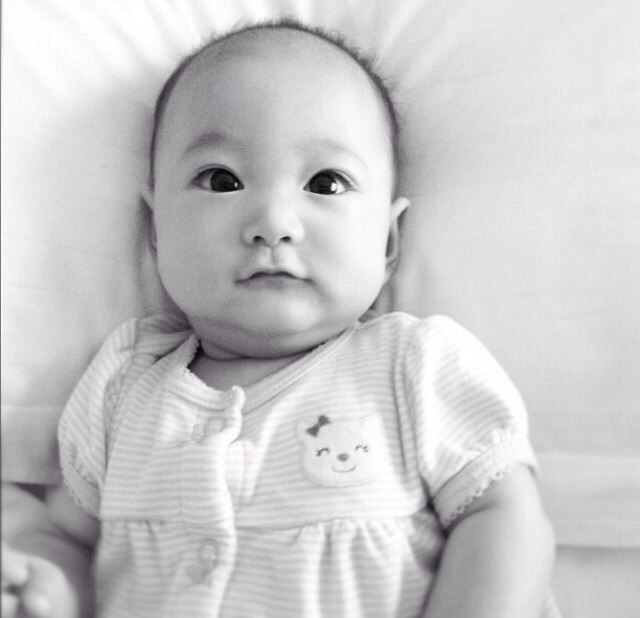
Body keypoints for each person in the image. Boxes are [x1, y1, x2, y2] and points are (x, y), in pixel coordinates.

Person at [1, 19, 559, 618]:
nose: (273, 222)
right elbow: (70, 541)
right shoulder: (121, 384)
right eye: (221, 180)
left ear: (388, 241)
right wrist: (46, 585)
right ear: (156, 230)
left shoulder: (414, 365)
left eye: (326, 183)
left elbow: (504, 517)